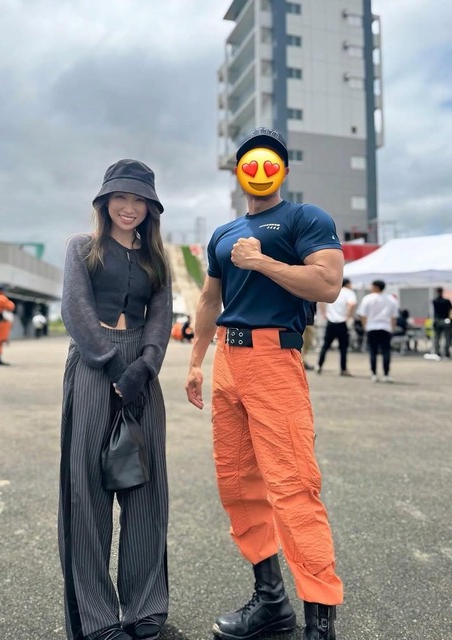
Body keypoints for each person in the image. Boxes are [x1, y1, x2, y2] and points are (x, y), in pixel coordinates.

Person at [185, 128, 344, 640]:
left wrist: (262, 262)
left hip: (275, 359)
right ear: (240, 171)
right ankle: (272, 602)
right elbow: (210, 300)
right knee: (237, 484)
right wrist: (196, 361)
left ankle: (320, 620)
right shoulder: (224, 233)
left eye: (270, 161)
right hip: (228, 362)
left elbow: (328, 284)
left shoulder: (305, 218)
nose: (260, 169)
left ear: (283, 171)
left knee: (293, 485)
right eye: (251, 161)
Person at [58, 159, 172, 640]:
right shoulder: (82, 248)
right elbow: (74, 307)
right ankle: (97, 619)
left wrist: (144, 367)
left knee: (147, 489)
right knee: (86, 492)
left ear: (150, 208)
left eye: (139, 199)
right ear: (104, 202)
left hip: (142, 370)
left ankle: (145, 609)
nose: (129, 207)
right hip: (92, 365)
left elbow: (161, 318)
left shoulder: (156, 259)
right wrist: (109, 365)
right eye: (121, 197)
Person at [357, 280, 398, 382]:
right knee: (386, 351)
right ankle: (386, 374)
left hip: (371, 327)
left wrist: (365, 326)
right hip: (385, 327)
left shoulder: (367, 298)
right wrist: (392, 328)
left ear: (376, 287)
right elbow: (394, 317)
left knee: (373, 351)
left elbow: (362, 315)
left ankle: (374, 373)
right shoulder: (391, 299)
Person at [316, 278, 357, 376]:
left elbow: (321, 301)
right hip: (342, 322)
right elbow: (351, 304)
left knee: (325, 345)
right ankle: (343, 369)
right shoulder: (349, 292)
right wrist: (348, 316)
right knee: (343, 347)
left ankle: (319, 365)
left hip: (330, 321)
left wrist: (324, 313)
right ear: (347, 284)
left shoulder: (332, 290)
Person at [432, 287, 452, 357]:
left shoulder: (434, 301)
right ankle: (446, 352)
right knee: (447, 337)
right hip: (446, 320)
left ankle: (437, 352)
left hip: (438, 320)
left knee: (437, 338)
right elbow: (450, 310)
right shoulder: (446, 301)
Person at [301, 301, 317, 370]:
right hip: (300, 320)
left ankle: (303, 360)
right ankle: (302, 361)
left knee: (309, 342)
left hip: (310, 319)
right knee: (301, 343)